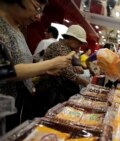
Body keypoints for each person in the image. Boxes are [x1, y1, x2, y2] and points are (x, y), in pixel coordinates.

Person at [0, 0, 73, 131]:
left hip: (16, 107)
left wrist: (44, 71)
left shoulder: (17, 29)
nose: (38, 16)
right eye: (36, 8)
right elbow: (4, 72)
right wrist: (51, 63)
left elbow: (21, 66)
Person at [34, 25, 90, 116]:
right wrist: (87, 84)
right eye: (79, 42)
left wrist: (73, 68)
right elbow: (69, 74)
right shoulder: (60, 48)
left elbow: (66, 68)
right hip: (51, 90)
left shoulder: (66, 48)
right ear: (71, 38)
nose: (80, 46)